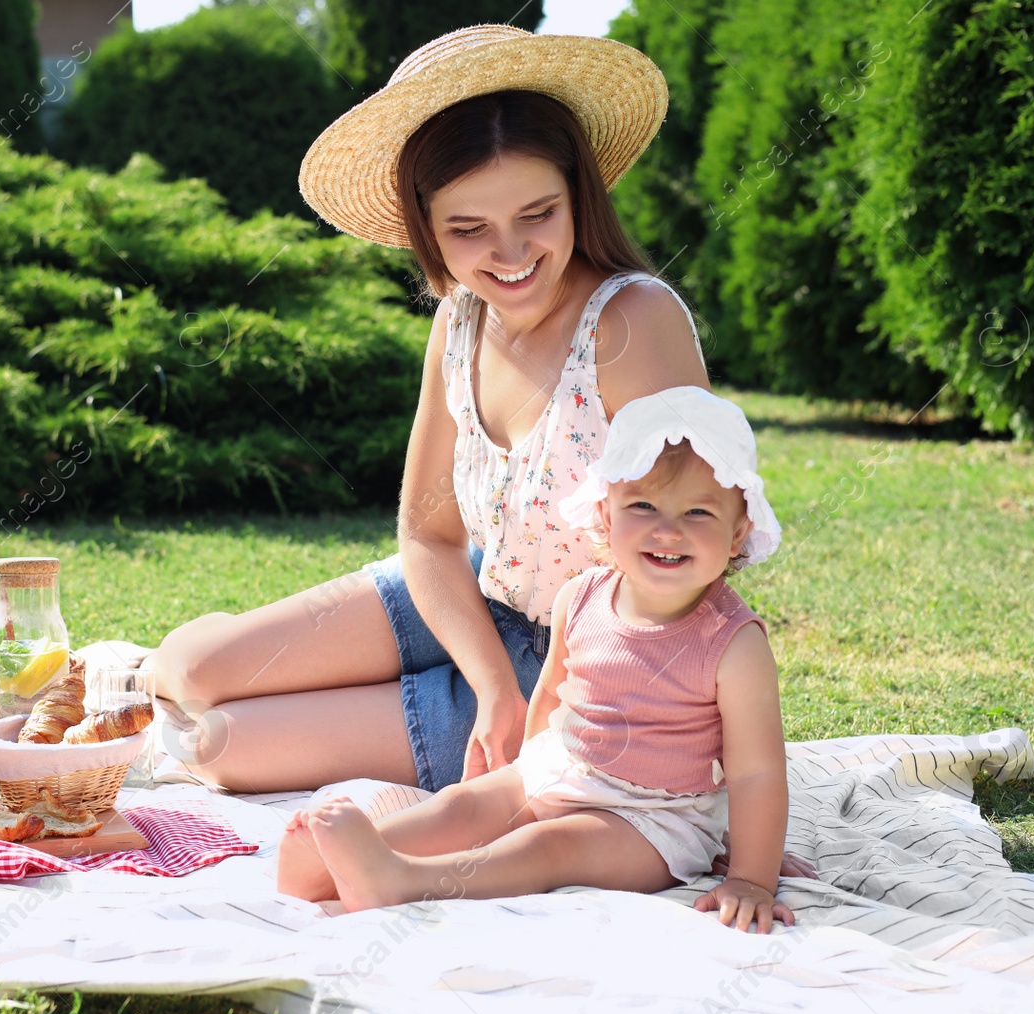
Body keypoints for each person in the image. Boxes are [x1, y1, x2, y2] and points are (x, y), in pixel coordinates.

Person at [147, 25, 710, 794]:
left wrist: (537, 701)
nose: (509, 255)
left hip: (587, 662)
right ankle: (218, 650)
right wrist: (486, 679)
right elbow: (428, 534)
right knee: (187, 673)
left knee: (218, 745)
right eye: (468, 229)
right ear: (426, 230)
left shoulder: (633, 322)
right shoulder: (459, 320)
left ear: (578, 194)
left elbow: (688, 556)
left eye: (537, 214)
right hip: (469, 594)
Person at [278, 388, 797, 933]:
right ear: (605, 511)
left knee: (546, 846)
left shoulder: (733, 644)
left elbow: (758, 771)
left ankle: (399, 880)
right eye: (642, 505)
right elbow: (550, 696)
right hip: (562, 769)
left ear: (739, 532)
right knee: (464, 808)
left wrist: (751, 875)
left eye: (698, 512)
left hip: (650, 820)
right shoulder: (582, 596)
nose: (668, 529)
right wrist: (521, 779)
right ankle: (332, 867)